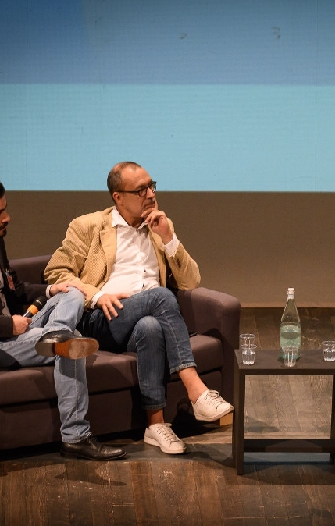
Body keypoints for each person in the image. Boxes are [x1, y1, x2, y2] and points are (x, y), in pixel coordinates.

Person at [44, 161, 233, 454]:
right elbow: (56, 272)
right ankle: (196, 389)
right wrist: (95, 296)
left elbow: (191, 281)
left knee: (151, 327)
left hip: (138, 322)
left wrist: (169, 238)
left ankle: (155, 424)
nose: (150, 194)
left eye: (151, 185)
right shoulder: (88, 226)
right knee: (160, 296)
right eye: (140, 189)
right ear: (118, 197)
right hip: (101, 317)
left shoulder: (159, 226)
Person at [0, 175, 125, 461]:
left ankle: (57, 333)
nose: (7, 218)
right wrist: (7, 324)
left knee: (73, 292)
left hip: (21, 326)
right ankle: (75, 436)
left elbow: (14, 290)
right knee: (69, 349)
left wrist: (51, 289)